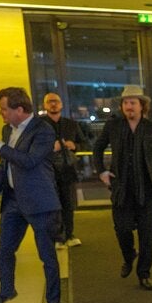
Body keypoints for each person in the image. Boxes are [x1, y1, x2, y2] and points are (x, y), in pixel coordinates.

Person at [0, 87, 62, 303]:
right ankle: (7, 291)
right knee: (4, 250)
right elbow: (3, 165)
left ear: (19, 109)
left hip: (40, 202)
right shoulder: (8, 130)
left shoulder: (43, 130)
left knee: (47, 256)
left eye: (3, 109)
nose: (1, 114)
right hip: (13, 201)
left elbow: (29, 161)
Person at [92, 84, 152, 290]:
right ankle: (129, 256)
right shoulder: (113, 127)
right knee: (122, 229)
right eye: (126, 103)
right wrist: (101, 171)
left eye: (133, 103)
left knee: (147, 236)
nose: (129, 106)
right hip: (122, 190)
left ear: (142, 106)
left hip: (148, 191)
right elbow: (97, 148)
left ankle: (144, 274)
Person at [41, 92, 86, 248]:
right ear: (44, 105)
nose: (53, 104)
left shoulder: (71, 124)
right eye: (50, 101)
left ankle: (69, 235)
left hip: (67, 170)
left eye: (56, 101)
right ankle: (57, 237)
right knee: (52, 206)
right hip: (47, 172)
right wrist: (51, 147)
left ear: (61, 104)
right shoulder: (38, 125)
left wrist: (74, 146)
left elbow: (84, 143)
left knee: (68, 204)